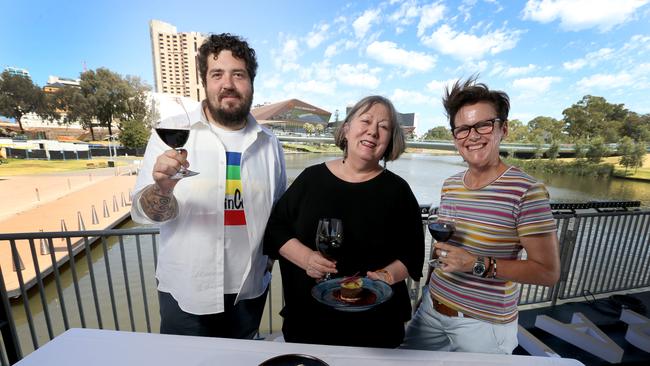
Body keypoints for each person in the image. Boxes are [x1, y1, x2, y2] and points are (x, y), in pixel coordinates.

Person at [131, 33, 286, 338]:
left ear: (251, 82)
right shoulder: (172, 132)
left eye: (238, 74)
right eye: (217, 74)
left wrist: (267, 264)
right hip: (186, 291)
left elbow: (280, 216)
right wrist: (162, 188)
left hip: (249, 292)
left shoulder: (271, 145)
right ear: (205, 81)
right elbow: (145, 214)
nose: (227, 83)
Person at [402, 76, 560, 354]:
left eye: (483, 125)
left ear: (503, 129)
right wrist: (428, 292)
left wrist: (476, 263)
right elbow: (444, 252)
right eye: (462, 129)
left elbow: (547, 272)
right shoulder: (451, 184)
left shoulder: (527, 191)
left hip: (483, 325)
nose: (472, 136)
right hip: (431, 310)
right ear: (454, 137)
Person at [263, 95, 424, 348]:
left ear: (390, 140)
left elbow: (413, 254)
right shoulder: (310, 180)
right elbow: (275, 230)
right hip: (310, 321)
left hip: (376, 326)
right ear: (347, 129)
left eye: (383, 127)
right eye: (366, 121)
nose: (373, 131)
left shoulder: (398, 191)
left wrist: (387, 275)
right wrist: (306, 258)